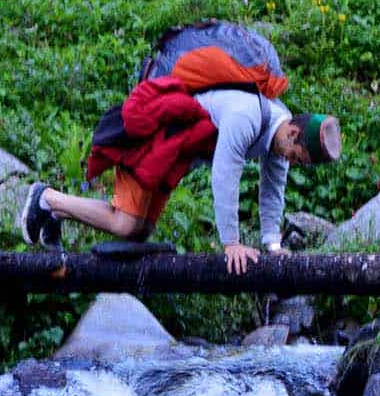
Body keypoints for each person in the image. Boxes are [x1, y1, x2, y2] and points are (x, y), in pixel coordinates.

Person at [20, 87, 342, 275]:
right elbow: (225, 174)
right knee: (126, 226)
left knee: (140, 231)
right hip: (155, 137)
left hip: (174, 154)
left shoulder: (279, 133)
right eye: (296, 157)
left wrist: (272, 244)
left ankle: (54, 212)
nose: (291, 162)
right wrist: (231, 242)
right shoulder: (247, 116)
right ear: (294, 132)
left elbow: (273, 190)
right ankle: (45, 198)